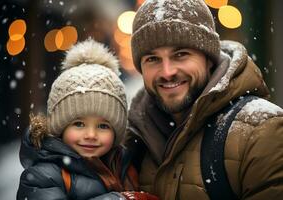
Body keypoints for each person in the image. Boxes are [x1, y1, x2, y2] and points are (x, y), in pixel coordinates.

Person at [124, 0, 283, 199]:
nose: (167, 72)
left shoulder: (261, 131)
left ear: (209, 58)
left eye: (181, 54)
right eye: (152, 59)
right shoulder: (132, 142)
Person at [17, 39, 159, 200]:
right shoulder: (43, 176)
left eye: (103, 126)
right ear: (60, 127)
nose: (91, 134)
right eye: (79, 124)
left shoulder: (124, 167)